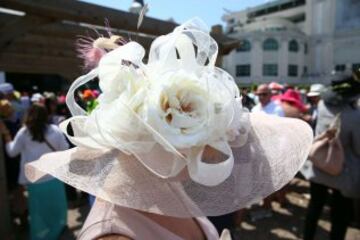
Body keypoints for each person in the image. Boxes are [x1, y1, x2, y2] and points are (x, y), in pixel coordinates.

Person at [26, 19, 313, 240]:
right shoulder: (116, 233)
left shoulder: (166, 192)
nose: (218, 154)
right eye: (212, 142)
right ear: (166, 147)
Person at [302, 71, 360, 240]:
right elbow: (358, 149)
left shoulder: (321, 106)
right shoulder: (355, 116)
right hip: (342, 170)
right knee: (340, 215)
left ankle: (308, 236)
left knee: (315, 206)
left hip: (319, 165)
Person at [0, 104, 69, 240]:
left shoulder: (24, 132)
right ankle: (58, 228)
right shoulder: (55, 130)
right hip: (54, 176)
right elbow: (65, 149)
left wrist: (6, 135)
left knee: (39, 210)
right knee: (56, 206)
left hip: (35, 179)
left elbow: (12, 152)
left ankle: (46, 233)